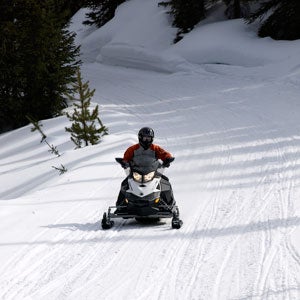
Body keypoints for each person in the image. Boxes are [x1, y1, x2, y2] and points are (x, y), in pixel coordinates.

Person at [115, 127, 175, 208]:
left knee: (165, 183)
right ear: (140, 137)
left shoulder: (155, 148)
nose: (147, 140)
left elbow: (165, 154)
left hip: (152, 171)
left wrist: (167, 159)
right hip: (136, 172)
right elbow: (126, 158)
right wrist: (124, 163)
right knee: (124, 184)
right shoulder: (133, 149)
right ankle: (120, 207)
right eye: (145, 138)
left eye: (149, 138)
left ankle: (171, 206)